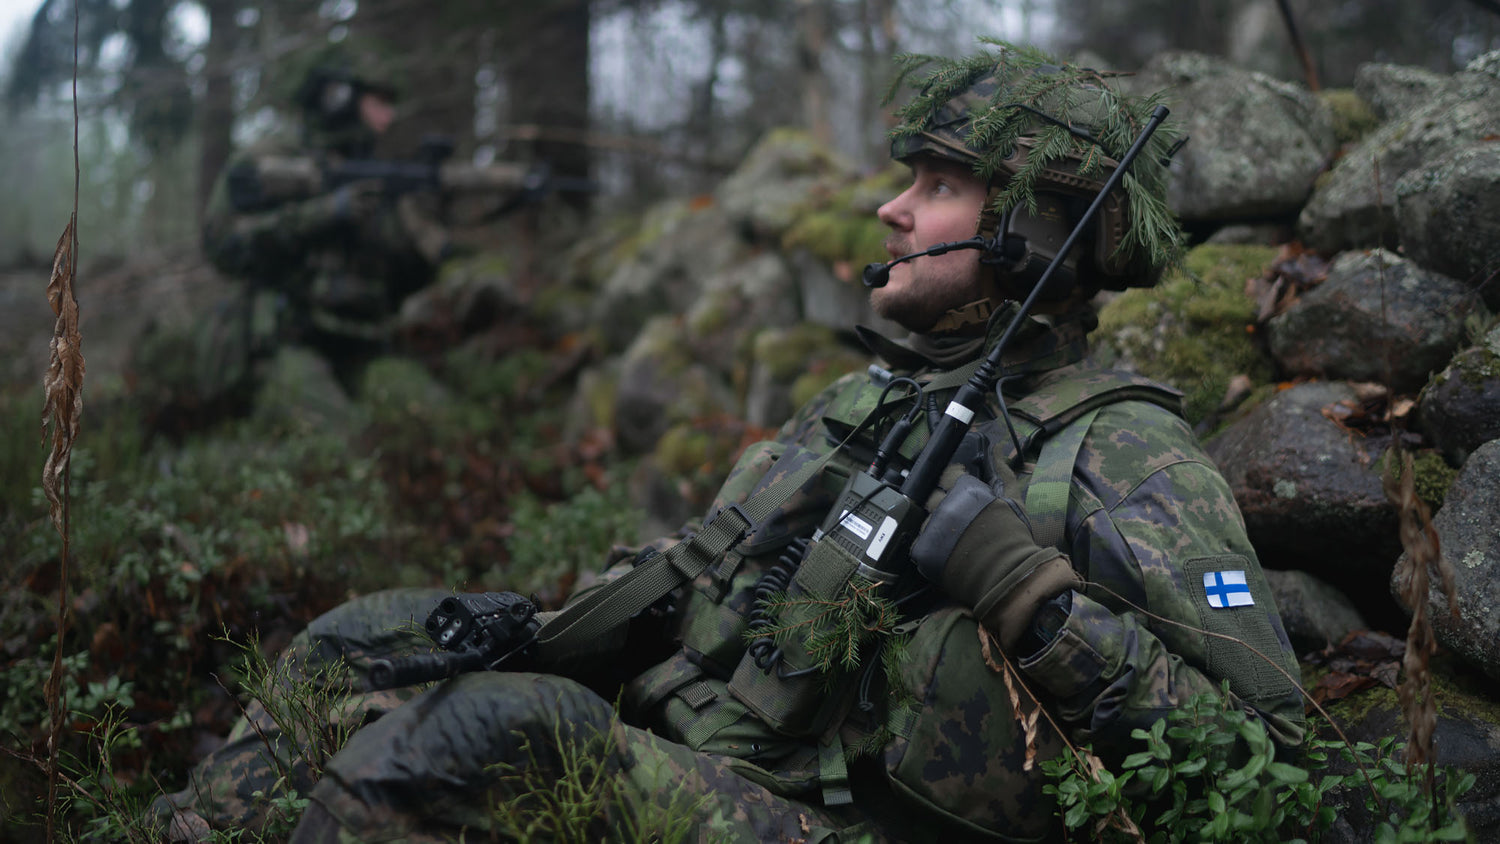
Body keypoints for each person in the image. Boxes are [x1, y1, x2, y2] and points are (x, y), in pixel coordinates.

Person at [149, 42, 1306, 843]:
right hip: (691, 745)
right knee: (362, 638)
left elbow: (1276, 778)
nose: (890, 209)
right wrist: (544, 631)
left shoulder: (1129, 456)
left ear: (1029, 229)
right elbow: (706, 575)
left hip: (816, 818)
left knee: (507, 740)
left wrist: (1033, 598)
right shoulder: (874, 396)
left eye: (937, 184)